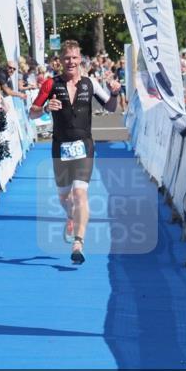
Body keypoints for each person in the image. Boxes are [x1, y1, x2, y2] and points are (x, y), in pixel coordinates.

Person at [29, 39, 120, 264]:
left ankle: (78, 243)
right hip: (60, 147)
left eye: (75, 58)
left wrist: (115, 92)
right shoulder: (50, 84)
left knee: (80, 194)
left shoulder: (90, 83)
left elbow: (110, 107)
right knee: (64, 196)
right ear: (60, 61)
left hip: (84, 147)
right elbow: (31, 113)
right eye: (67, 58)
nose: (71, 62)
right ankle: (70, 216)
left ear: (81, 59)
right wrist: (44, 108)